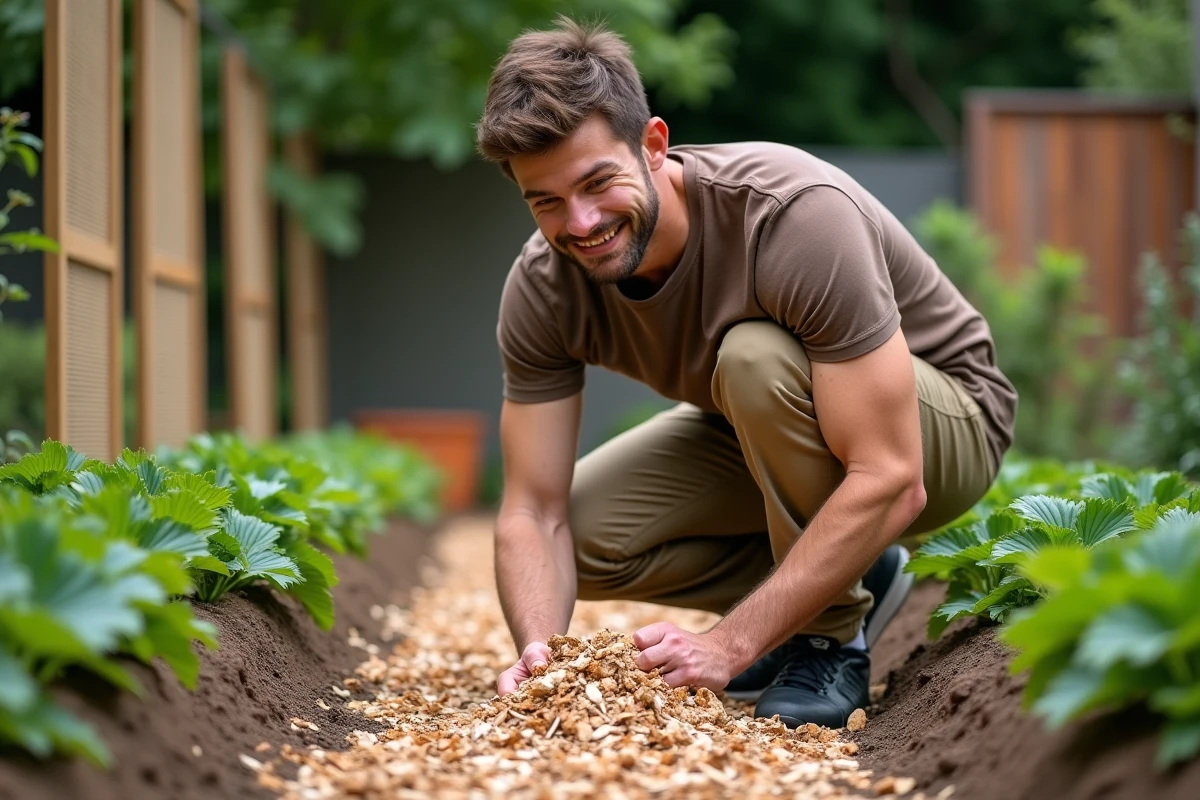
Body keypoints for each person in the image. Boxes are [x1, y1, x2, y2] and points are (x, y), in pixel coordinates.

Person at [475, 16, 1017, 729]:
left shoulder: (790, 216)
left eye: (596, 182)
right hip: (773, 418)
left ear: (654, 143)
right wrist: (542, 657)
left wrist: (730, 643)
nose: (578, 223)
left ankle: (827, 635)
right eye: (545, 200)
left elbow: (891, 475)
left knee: (753, 355)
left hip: (944, 425)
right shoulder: (544, 286)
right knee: (584, 533)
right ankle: (843, 573)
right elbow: (531, 511)